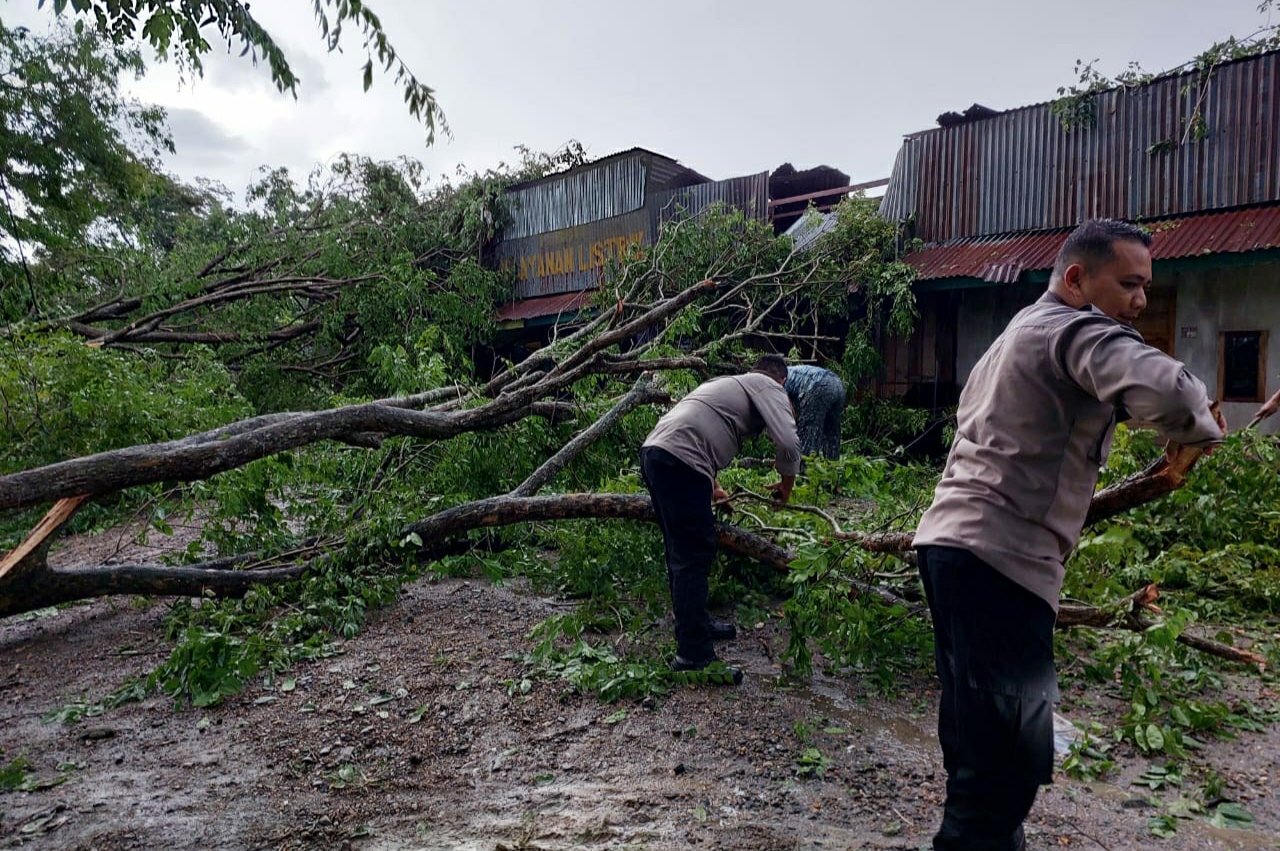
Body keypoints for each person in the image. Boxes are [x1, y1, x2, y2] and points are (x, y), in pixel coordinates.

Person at [912, 219, 1225, 850]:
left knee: (981, 740)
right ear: (1077, 278)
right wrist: (1200, 429)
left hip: (950, 548)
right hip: (1002, 562)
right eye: (1129, 285)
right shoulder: (1074, 326)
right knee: (1003, 765)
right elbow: (1175, 396)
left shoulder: (1013, 334)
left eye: (1146, 286)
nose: (1139, 301)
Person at [640, 354, 801, 683]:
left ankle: (695, 625)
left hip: (657, 452)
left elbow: (696, 426)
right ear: (780, 380)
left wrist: (712, 487)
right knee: (692, 555)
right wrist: (786, 486)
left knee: (680, 551)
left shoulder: (725, 385)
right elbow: (787, 442)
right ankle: (693, 655)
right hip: (682, 459)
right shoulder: (769, 385)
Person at [785, 364, 847, 460]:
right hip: (838, 384)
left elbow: (788, 407)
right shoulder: (788, 372)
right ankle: (833, 467)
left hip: (817, 385)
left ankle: (805, 470)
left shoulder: (775, 381)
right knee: (832, 432)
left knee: (809, 433)